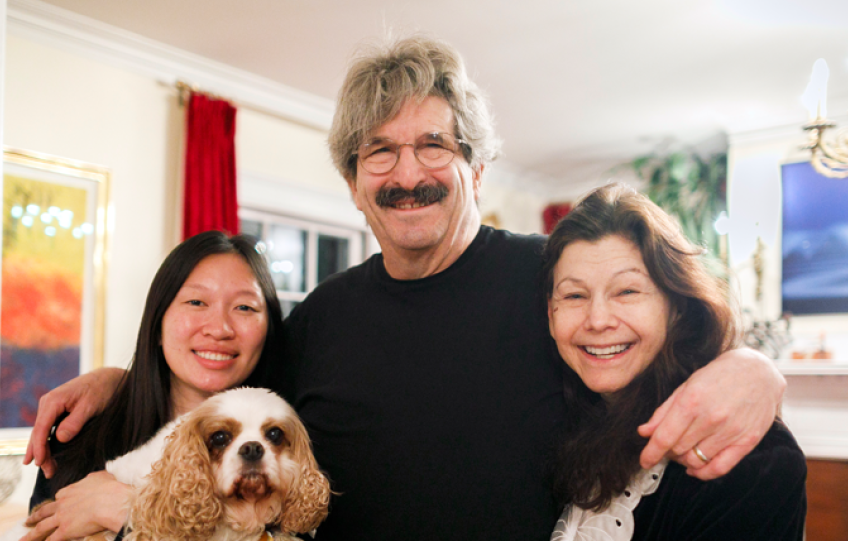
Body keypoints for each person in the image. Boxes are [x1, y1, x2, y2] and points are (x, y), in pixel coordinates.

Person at [25, 36, 786, 541]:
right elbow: (223, 404)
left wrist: (755, 369)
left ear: (477, 171)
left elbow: (655, 333)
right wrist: (123, 376)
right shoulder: (320, 320)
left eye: (434, 145)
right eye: (378, 153)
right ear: (353, 187)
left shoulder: (551, 279)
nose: (408, 173)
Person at [544, 183, 806, 540]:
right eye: (574, 295)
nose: (598, 319)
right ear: (550, 313)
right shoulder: (552, 417)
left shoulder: (745, 456)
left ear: (676, 306)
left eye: (627, 291)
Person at [22, 231, 283, 541]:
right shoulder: (81, 442)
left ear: (268, 330)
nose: (220, 329)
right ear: (157, 324)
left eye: (244, 308)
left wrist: (129, 511)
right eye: (196, 302)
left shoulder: (284, 455)